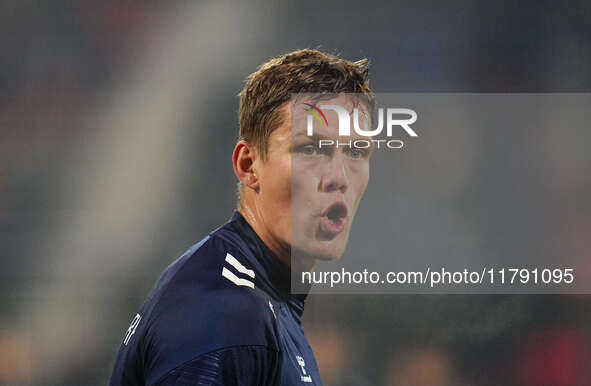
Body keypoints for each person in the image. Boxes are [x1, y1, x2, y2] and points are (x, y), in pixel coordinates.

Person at [109, 48, 374, 386]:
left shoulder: (260, 301)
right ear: (248, 165)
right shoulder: (224, 313)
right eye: (310, 148)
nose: (340, 176)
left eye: (356, 152)